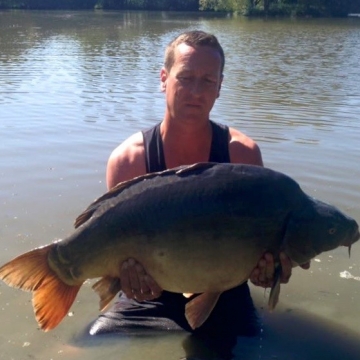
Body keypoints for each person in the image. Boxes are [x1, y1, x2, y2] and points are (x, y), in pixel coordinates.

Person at [90, 30, 310, 357]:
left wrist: (271, 270)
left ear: (220, 87)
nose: (196, 91)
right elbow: (117, 251)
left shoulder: (243, 156)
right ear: (164, 78)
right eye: (186, 77)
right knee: (91, 344)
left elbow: (263, 243)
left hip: (223, 293)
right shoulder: (128, 160)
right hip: (149, 298)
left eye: (208, 80)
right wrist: (126, 278)